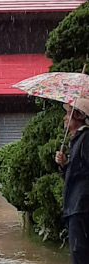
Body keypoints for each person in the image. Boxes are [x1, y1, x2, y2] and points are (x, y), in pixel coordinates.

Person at [55, 98, 89, 264]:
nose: (65, 118)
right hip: (75, 205)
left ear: (78, 116)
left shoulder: (86, 139)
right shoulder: (75, 141)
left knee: (79, 252)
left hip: (81, 206)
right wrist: (65, 164)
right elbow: (74, 173)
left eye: (68, 113)